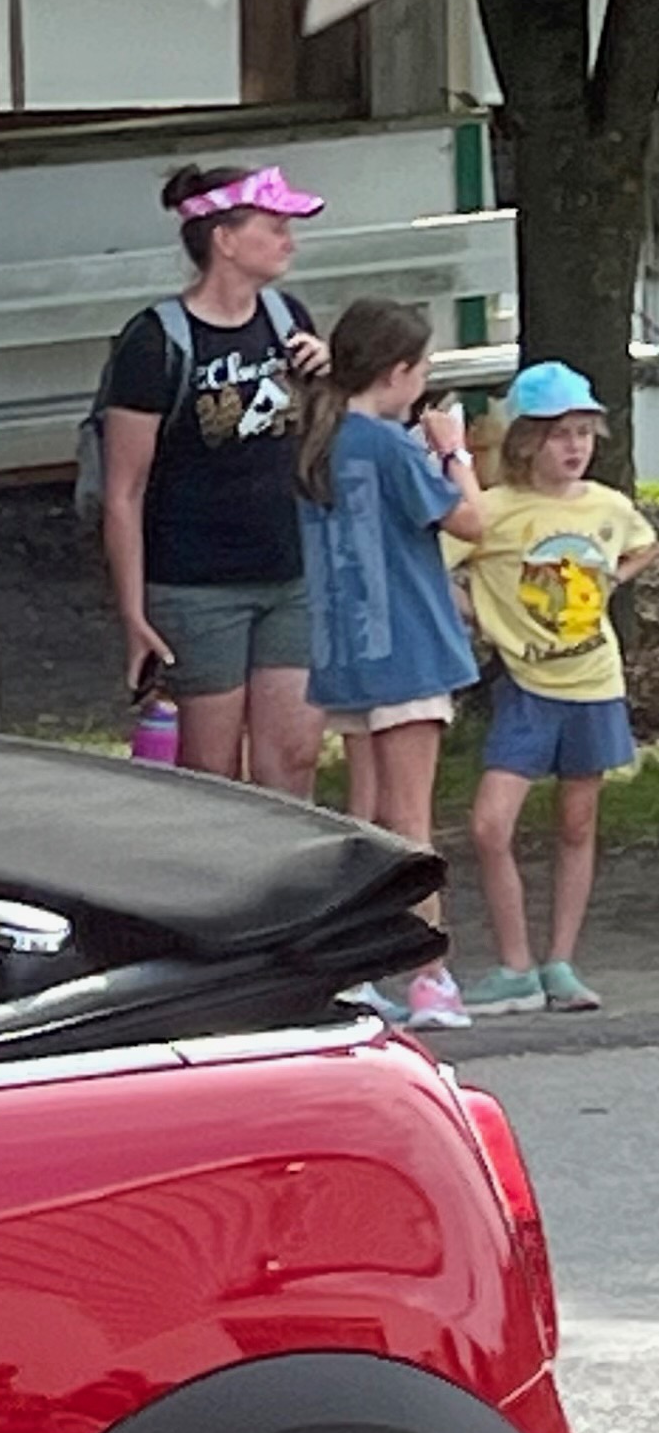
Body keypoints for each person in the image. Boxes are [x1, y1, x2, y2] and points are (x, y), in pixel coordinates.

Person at [100, 164, 333, 796]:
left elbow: (318, 444)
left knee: (294, 759)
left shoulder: (290, 319)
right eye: (274, 225)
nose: (290, 240)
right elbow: (122, 491)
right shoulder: (155, 342)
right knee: (213, 776)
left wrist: (327, 381)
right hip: (197, 586)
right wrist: (133, 614)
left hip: (289, 573)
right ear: (224, 239)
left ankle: (291, 893)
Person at [295, 297, 483, 1030]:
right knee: (410, 824)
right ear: (398, 371)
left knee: (366, 816)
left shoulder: (321, 439)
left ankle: (359, 963)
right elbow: (473, 522)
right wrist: (453, 450)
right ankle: (427, 973)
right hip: (406, 649)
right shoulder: (390, 444)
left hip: (346, 652)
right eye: (423, 368)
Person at [449, 362, 652, 1015]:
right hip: (527, 688)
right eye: (559, 434)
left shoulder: (606, 507)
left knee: (576, 821)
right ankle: (514, 963)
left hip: (592, 683)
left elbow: (640, 543)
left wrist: (614, 581)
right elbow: (438, 562)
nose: (573, 448)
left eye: (583, 434)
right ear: (524, 441)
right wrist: (477, 612)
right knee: (488, 825)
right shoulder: (495, 510)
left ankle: (558, 962)